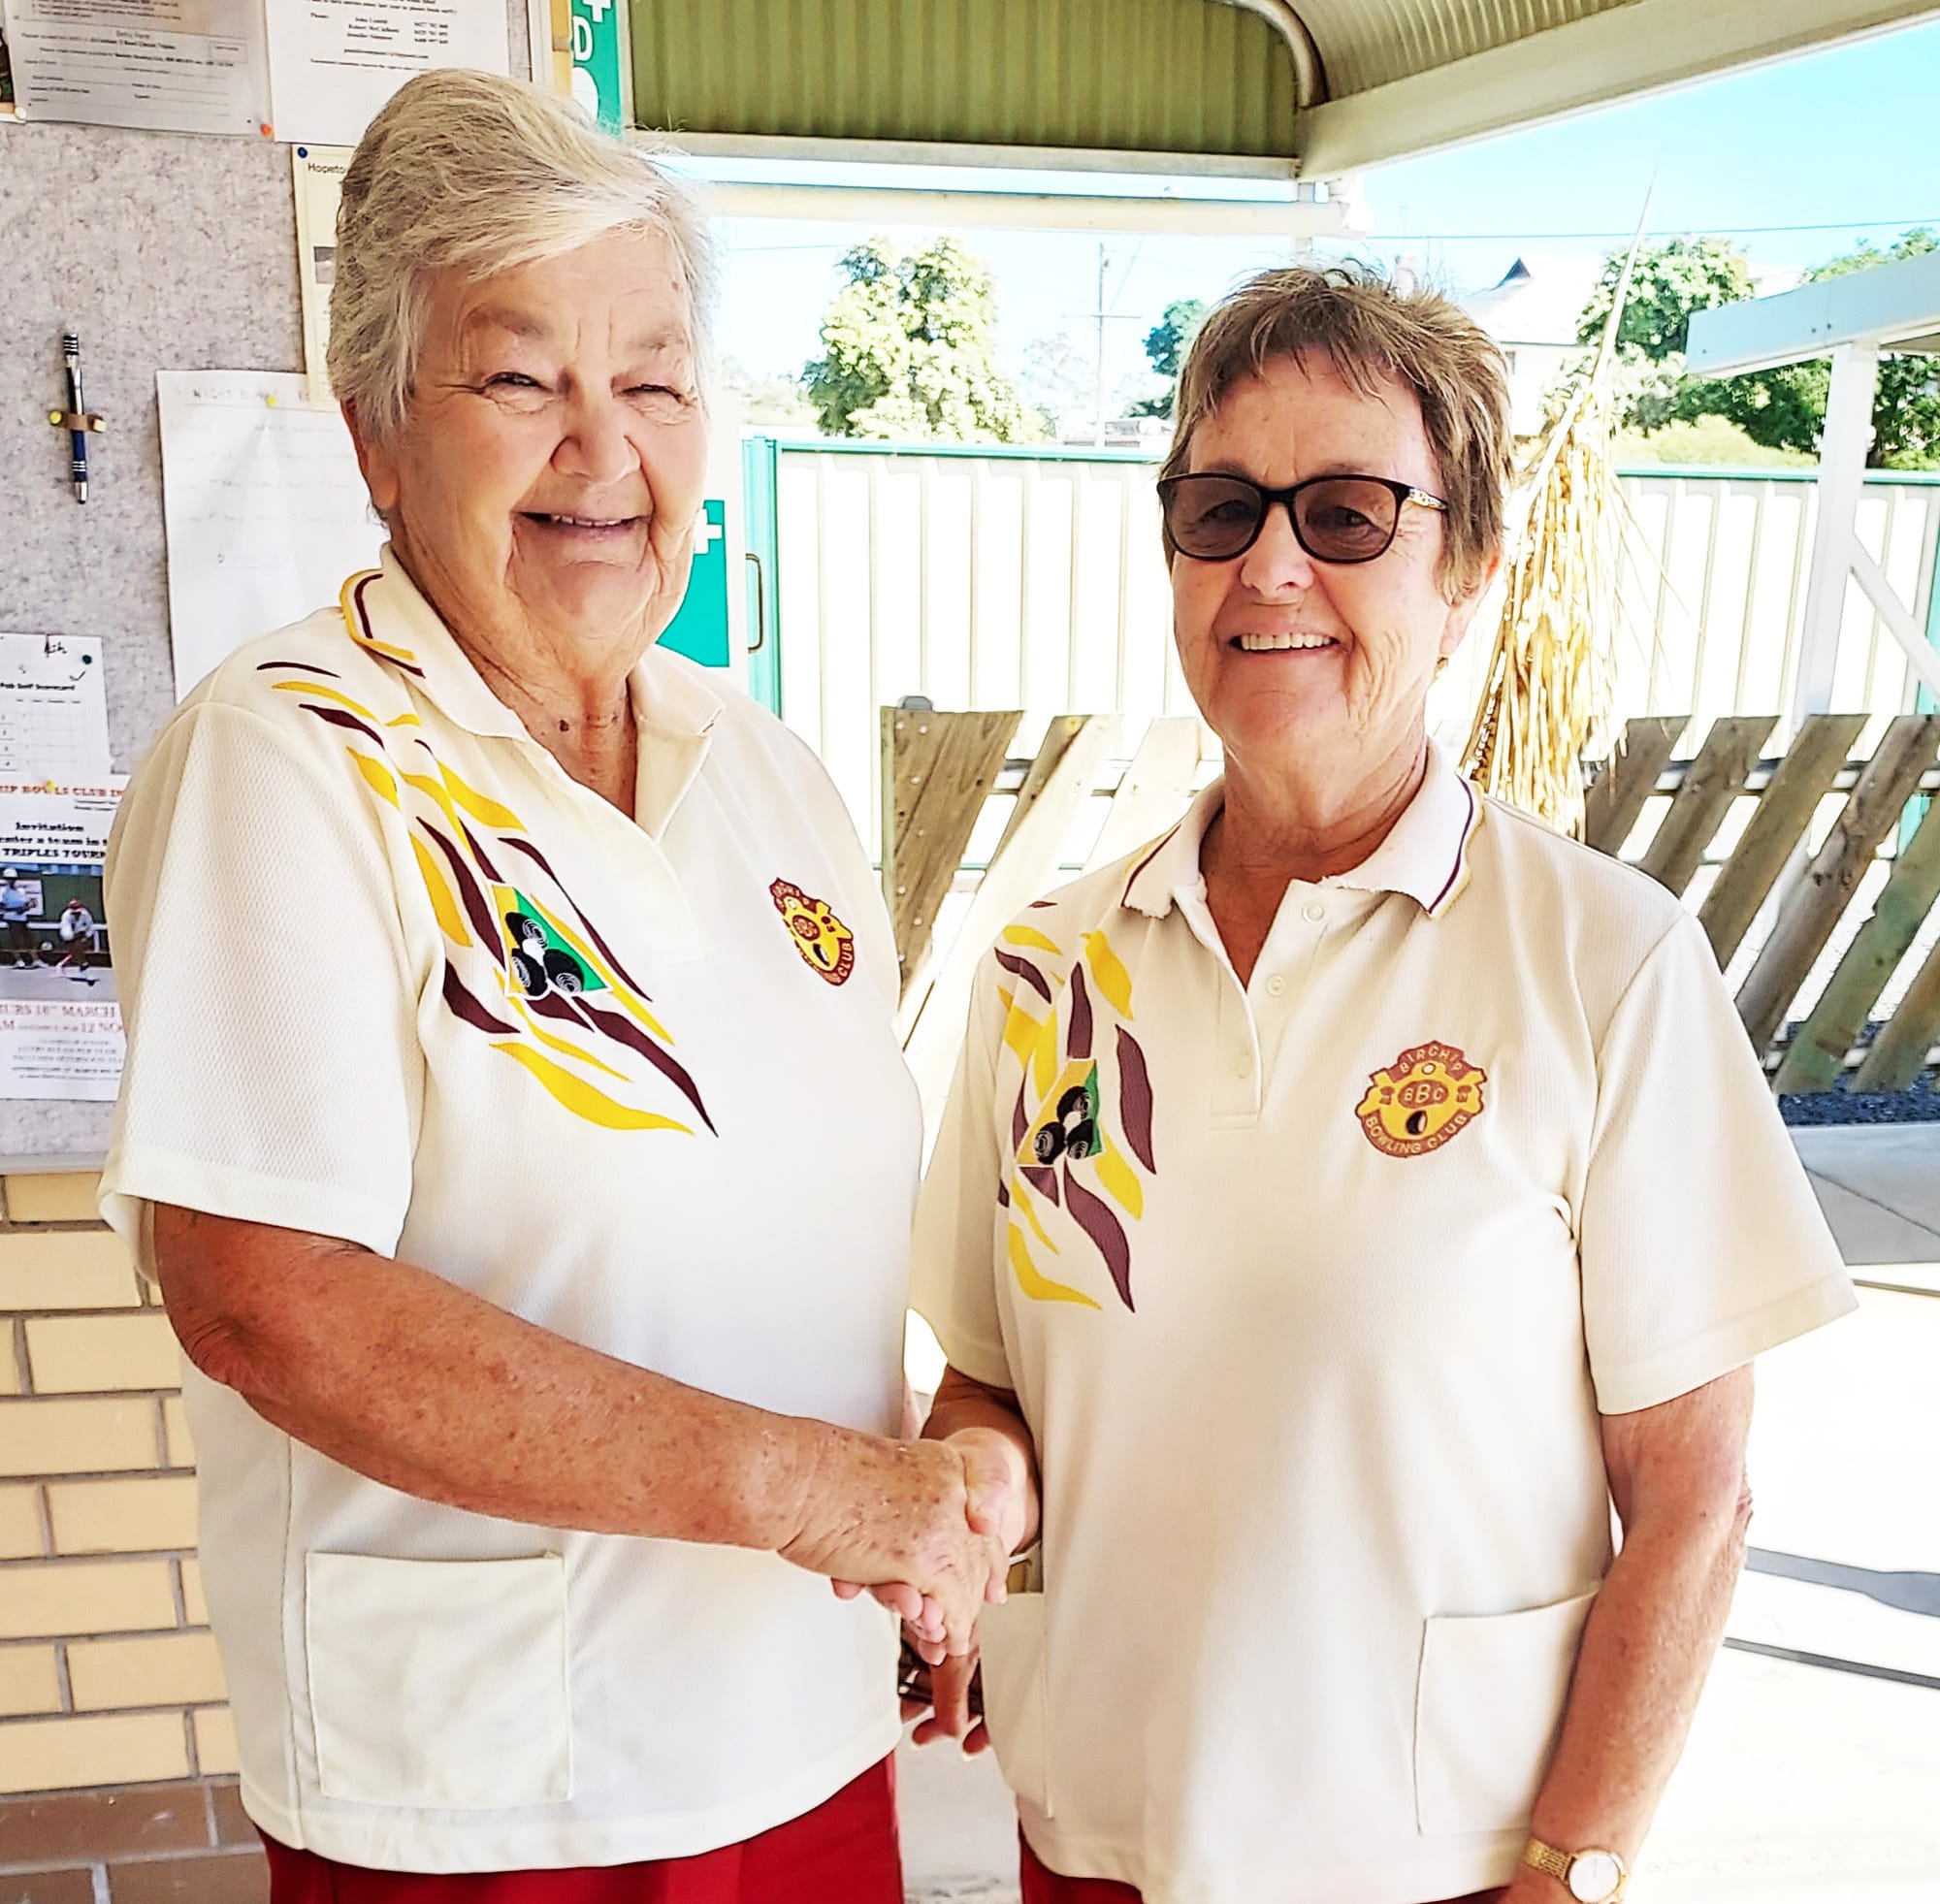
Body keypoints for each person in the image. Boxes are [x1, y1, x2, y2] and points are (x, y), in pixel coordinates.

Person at [99, 70, 1010, 1904]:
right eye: (521, 380)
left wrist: (934, 1517)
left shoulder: (766, 769)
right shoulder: (292, 753)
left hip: (807, 1724)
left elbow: (791, 1224)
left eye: (654, 385)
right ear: (375, 434)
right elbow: (266, 1299)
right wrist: (818, 1493)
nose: (604, 453)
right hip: (500, 1792)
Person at [906, 266, 1857, 1904]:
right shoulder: (1047, 971)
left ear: (1467, 566)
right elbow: (988, 1382)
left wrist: (1572, 1869)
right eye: (1220, 509)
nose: (1270, 565)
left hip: (1447, 1860)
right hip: (1092, 1840)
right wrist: (968, 1499)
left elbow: (1694, 1499)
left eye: (1346, 513)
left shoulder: (1604, 961)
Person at [0, 869, 39, 967]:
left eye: (13, 879)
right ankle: (19, 960)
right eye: (9, 879)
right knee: (15, 941)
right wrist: (14, 909)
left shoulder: (21, 891)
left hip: (23, 918)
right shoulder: (3, 891)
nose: (11, 881)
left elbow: (27, 903)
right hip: (11, 918)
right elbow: (1, 906)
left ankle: (35, 960)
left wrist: (28, 906)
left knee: (29, 940)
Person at [55, 896, 99, 983]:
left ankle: (81, 965)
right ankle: (82, 966)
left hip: (82, 936)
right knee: (76, 950)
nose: (76, 913)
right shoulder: (66, 915)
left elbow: (90, 926)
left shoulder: (85, 914)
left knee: (77, 950)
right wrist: (73, 938)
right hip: (68, 937)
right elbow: (66, 932)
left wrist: (86, 936)